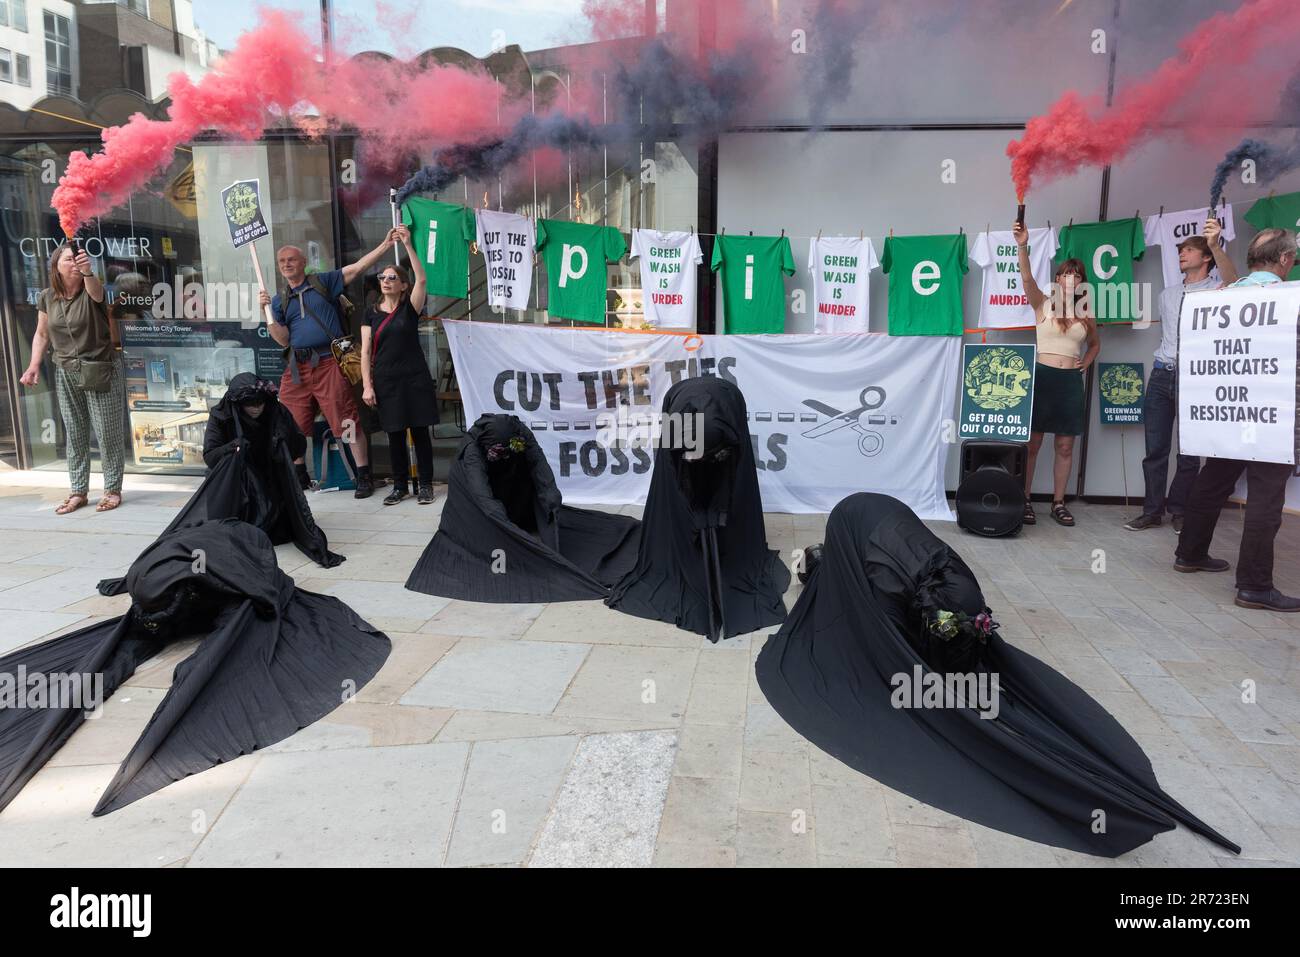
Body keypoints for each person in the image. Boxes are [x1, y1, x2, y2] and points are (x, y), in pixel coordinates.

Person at [755, 492, 1240, 858]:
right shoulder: (947, 567)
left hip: (929, 625)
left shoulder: (877, 580)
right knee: (979, 693)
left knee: (956, 716)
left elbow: (879, 637)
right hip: (955, 619)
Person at [1174, 228, 1300, 612]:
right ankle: (1254, 586)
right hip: (1271, 415)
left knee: (1212, 480)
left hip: (1226, 411)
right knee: (1265, 498)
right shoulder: (1291, 298)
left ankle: (1190, 552)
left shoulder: (1218, 297)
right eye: (1292, 257)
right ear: (1283, 261)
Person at [257, 233, 399, 498]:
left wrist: (385, 245)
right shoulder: (278, 301)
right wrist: (266, 315)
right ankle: (298, 476)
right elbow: (282, 340)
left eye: (291, 260)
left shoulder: (324, 281)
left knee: (346, 420)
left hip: (328, 362)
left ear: (302, 263)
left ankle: (363, 475)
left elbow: (358, 268)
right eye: (282, 261)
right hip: (297, 368)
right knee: (292, 423)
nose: (286, 264)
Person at [1125, 220, 1239, 533]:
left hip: (1195, 378)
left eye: (1188, 250)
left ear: (1205, 258)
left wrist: (1215, 243)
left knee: (1189, 452)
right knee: (1155, 449)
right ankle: (1151, 512)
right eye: (1180, 251)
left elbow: (1235, 281)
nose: (1181, 255)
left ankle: (1179, 509)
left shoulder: (1218, 289)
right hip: (1162, 375)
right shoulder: (1167, 294)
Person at [18, 244, 127, 514]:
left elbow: (97, 291)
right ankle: (78, 491)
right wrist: (33, 365)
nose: (75, 263)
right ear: (56, 265)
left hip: (100, 368)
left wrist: (89, 272)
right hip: (66, 369)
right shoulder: (47, 297)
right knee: (75, 433)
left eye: (78, 258)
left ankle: (112, 489)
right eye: (69, 259)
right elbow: (42, 334)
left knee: (107, 431)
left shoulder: (92, 291)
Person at [1013, 221, 1100, 527]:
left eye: (1075, 275)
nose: (1070, 279)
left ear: (1081, 282)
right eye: (1065, 273)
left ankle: (1058, 502)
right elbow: (1026, 279)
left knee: (1065, 445)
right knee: (1033, 444)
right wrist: (1023, 245)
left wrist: (1086, 362)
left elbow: (1094, 345)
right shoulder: (1043, 305)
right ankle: (1024, 500)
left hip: (1069, 383)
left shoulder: (1087, 313)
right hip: (1042, 379)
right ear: (1057, 279)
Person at [360, 228, 438, 505]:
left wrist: (407, 244)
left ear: (403, 285)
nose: (386, 281)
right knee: (394, 434)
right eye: (382, 277)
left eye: (393, 277)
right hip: (386, 379)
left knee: (419, 432)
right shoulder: (370, 313)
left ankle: (426, 484)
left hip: (414, 377)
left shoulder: (410, 309)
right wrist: (367, 386)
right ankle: (400, 485)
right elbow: (366, 350)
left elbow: (423, 278)